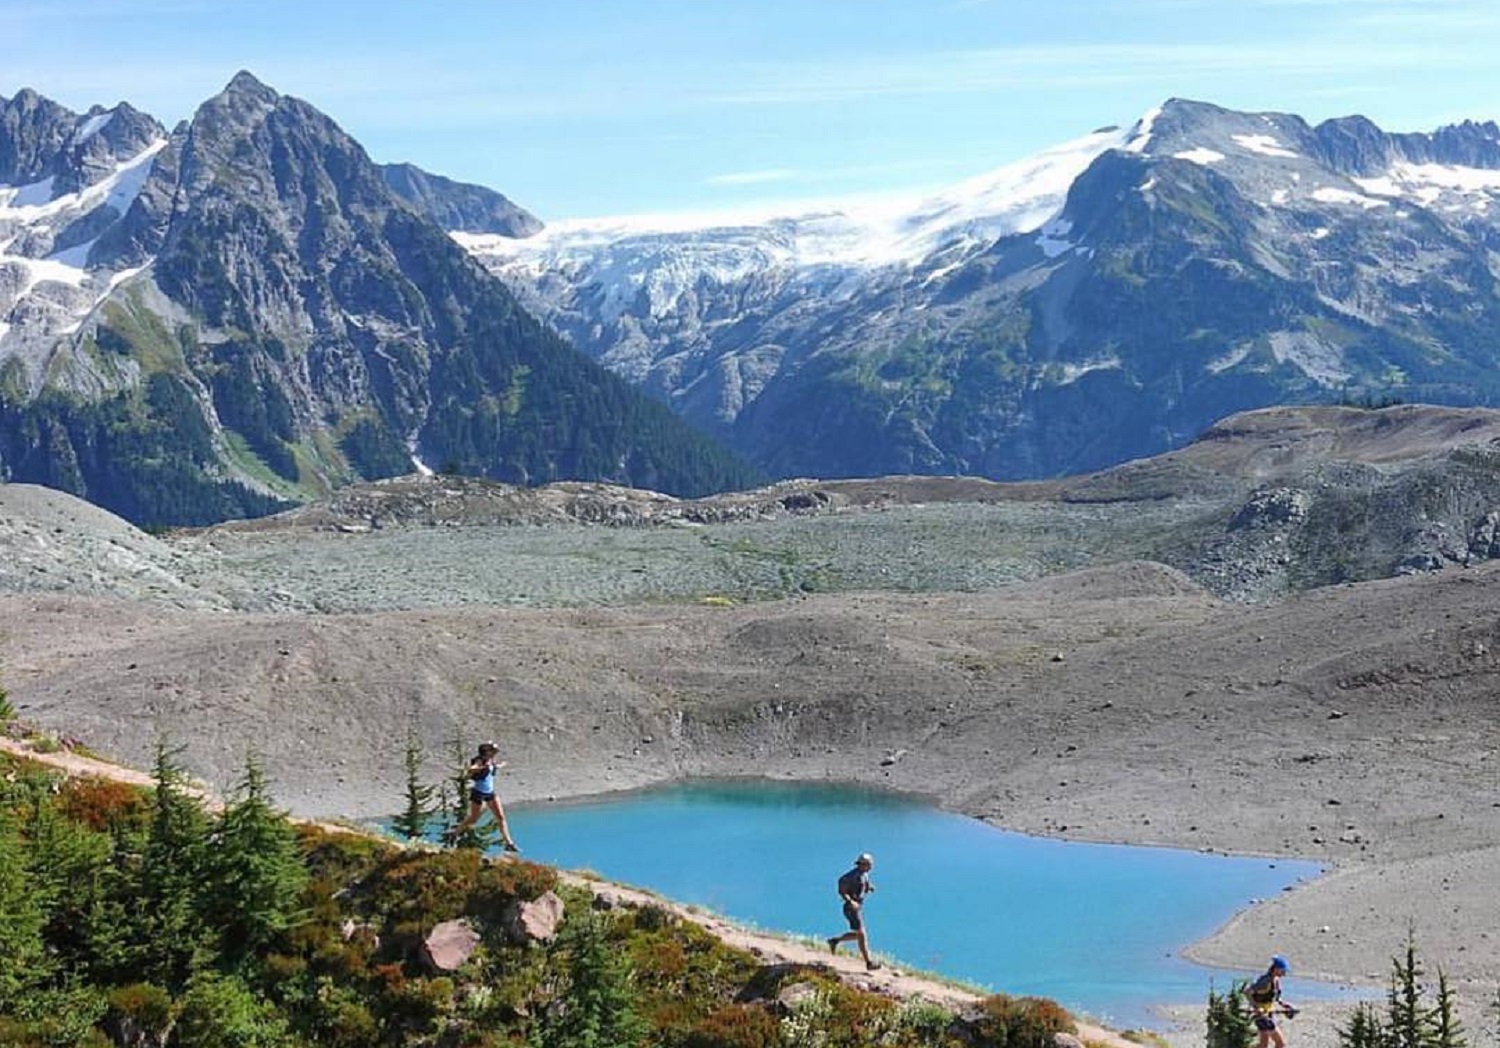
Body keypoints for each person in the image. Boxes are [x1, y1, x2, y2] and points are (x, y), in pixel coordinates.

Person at [442, 741, 520, 852]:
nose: (494, 753)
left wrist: (500, 765)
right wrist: (478, 768)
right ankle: (454, 833)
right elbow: (473, 768)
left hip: (490, 792)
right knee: (473, 819)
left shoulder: (490, 760)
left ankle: (509, 843)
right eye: (492, 751)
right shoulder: (480, 760)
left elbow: (492, 768)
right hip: (478, 793)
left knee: (501, 817)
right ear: (486, 752)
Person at [826, 852, 881, 971]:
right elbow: (842, 889)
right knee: (862, 935)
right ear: (863, 864)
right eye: (869, 864)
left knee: (859, 935)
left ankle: (835, 941)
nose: (871, 867)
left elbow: (863, 884)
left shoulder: (864, 874)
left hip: (857, 907)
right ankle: (869, 963)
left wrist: (869, 887)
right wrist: (851, 901)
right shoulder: (851, 876)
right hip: (851, 908)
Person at [1245, 955, 1297, 1048]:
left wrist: (1286, 1006)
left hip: (1269, 1013)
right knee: (1274, 1044)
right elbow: (1247, 992)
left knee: (1273, 1044)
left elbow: (1276, 998)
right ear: (1276, 969)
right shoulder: (1265, 981)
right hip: (1261, 1015)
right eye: (1283, 970)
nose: (1284, 974)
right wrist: (1257, 1007)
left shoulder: (1276, 981)